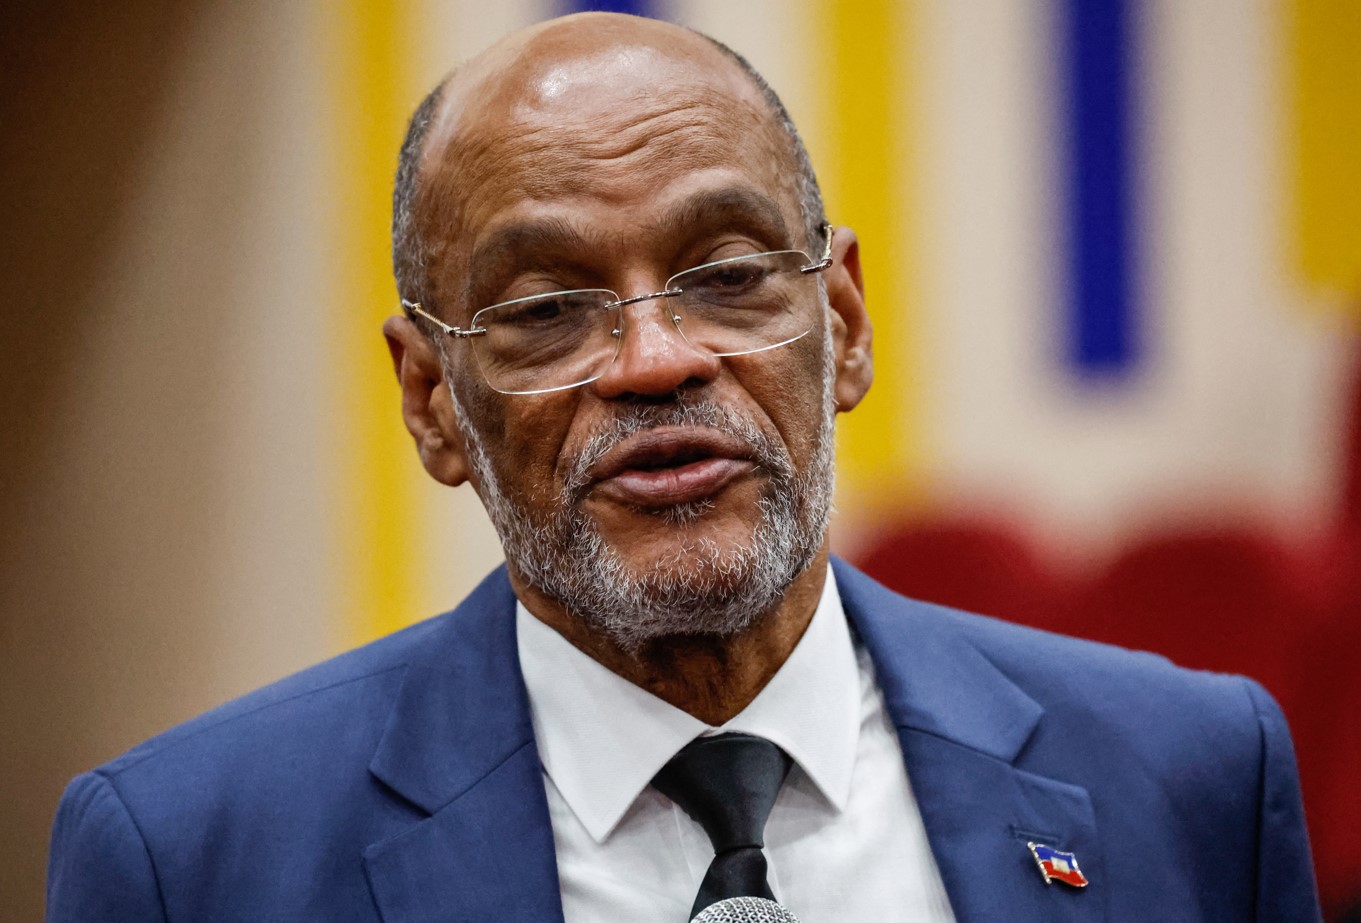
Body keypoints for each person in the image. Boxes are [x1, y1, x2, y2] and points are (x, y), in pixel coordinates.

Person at [46, 12, 1320, 923]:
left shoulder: (1187, 772)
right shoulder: (192, 858)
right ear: (433, 400)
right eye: (544, 306)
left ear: (845, 325)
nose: (656, 359)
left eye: (726, 275)